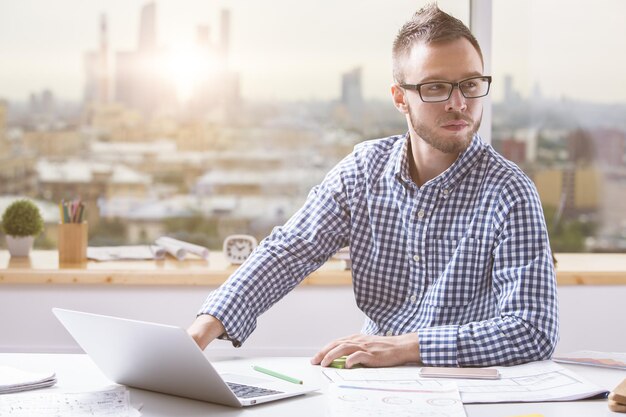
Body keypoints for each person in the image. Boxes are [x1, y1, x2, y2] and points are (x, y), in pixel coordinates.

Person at [187, 4, 559, 368]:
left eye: (470, 84)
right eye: (436, 87)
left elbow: (533, 330)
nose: (458, 103)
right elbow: (289, 251)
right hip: (370, 380)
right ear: (400, 98)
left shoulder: (510, 191)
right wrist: (202, 330)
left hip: (469, 389)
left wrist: (405, 346)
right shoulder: (363, 171)